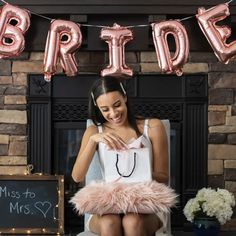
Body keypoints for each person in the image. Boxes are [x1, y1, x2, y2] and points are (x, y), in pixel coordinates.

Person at [72, 76, 169, 236]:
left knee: (132, 222)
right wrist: (92, 141)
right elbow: (77, 176)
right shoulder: (95, 131)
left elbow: (164, 177)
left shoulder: (152, 127)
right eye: (105, 109)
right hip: (109, 207)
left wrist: (138, 170)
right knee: (110, 222)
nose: (113, 113)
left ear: (125, 97)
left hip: (144, 206)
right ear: (97, 107)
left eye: (117, 105)